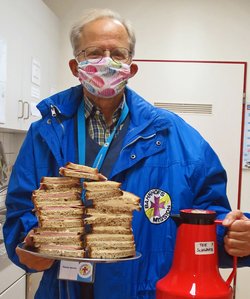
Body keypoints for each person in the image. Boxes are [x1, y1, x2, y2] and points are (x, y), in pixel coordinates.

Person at [3, 8, 250, 299]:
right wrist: (30, 244)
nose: (107, 62)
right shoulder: (45, 134)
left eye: (118, 54)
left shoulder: (177, 136)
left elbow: (210, 221)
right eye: (94, 52)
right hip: (63, 290)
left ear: (131, 67)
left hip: (144, 292)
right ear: (75, 66)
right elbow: (20, 214)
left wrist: (234, 238)